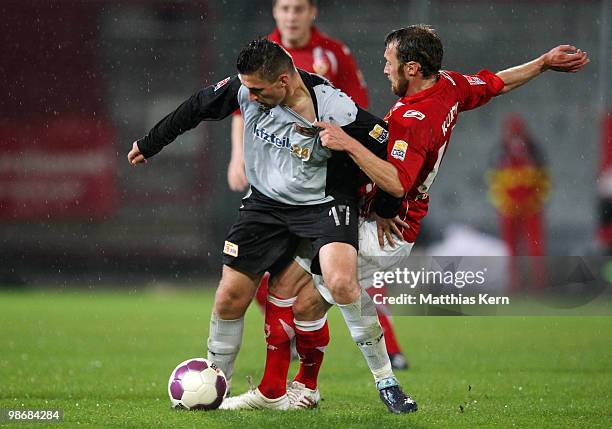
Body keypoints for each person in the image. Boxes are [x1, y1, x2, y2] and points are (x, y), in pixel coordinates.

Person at [224, 25, 589, 411]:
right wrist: (544, 63)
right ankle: (286, 388)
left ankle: (359, 384)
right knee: (284, 288)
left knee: (305, 304)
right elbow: (495, 83)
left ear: (412, 68)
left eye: (389, 62)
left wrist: (347, 144)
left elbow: (397, 182)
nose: (384, 69)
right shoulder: (449, 85)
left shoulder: (416, 119)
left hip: (387, 228)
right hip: (372, 214)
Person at [127, 38, 415, 412]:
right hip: (265, 206)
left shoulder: (332, 106)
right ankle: (216, 385)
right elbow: (197, 107)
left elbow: (384, 144)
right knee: (230, 295)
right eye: (245, 87)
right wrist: (151, 143)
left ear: (283, 81)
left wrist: (387, 206)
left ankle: (386, 381)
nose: (247, 95)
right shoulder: (245, 90)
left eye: (257, 89)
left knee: (341, 281)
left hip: (324, 203)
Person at [228, 0, 409, 369]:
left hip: (326, 180)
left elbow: (356, 113)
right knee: (266, 267)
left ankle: (389, 347)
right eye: (284, 9)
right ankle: (290, 341)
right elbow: (239, 107)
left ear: (312, 12)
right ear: (275, 13)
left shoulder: (334, 53)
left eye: (298, 9)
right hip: (277, 179)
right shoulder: (263, 52)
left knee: (348, 268)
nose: (291, 16)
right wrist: (238, 157)